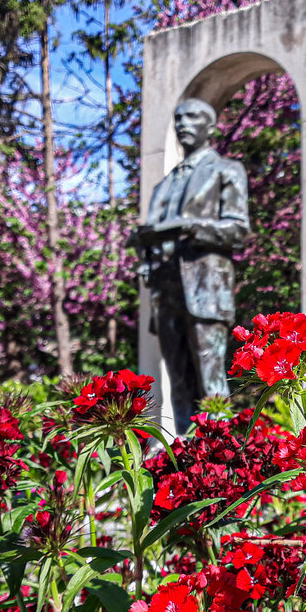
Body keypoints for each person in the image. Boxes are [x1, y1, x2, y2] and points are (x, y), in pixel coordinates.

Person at [132, 98, 250, 434]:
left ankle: (220, 451)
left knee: (211, 382)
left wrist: (189, 226)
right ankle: (185, 456)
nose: (183, 123)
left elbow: (238, 230)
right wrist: (146, 254)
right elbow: (152, 234)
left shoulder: (226, 170)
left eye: (193, 117)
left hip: (204, 288)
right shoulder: (164, 185)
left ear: (210, 127)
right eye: (179, 118)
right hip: (165, 290)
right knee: (179, 383)